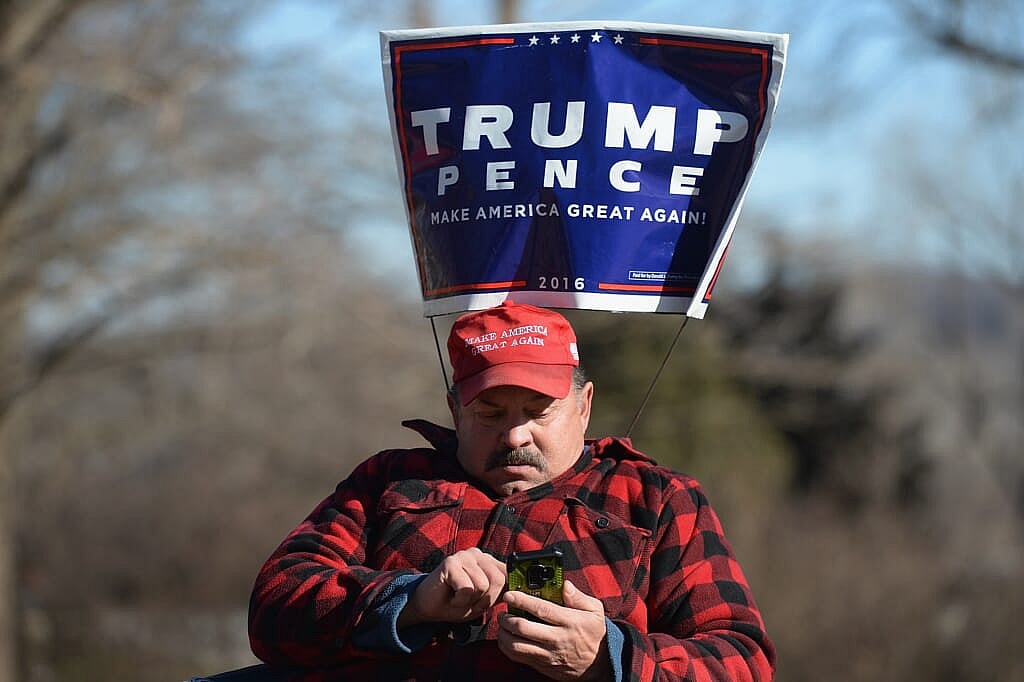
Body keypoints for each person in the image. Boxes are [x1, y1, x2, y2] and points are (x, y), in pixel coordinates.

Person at [246, 300, 775, 681]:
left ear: (583, 405)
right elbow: (275, 607)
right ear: (455, 410)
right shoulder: (390, 480)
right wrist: (411, 600)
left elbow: (741, 660)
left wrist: (610, 658)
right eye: (490, 414)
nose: (515, 435)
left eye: (538, 412)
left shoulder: (656, 498)